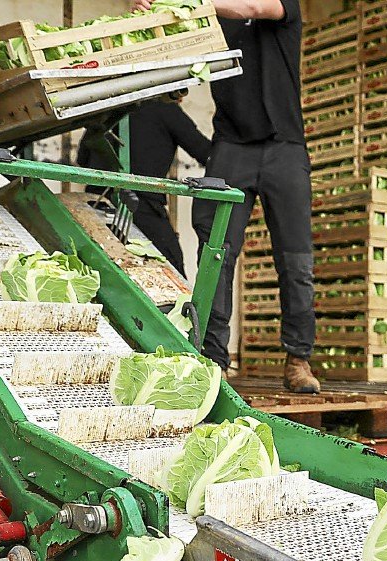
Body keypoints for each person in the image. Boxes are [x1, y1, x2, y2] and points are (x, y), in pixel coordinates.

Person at [134, 0, 319, 393]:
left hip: (284, 146)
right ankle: (214, 357)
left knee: (296, 259)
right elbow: (178, 50)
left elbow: (250, 6)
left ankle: (298, 359)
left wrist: (188, 2)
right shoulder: (211, 21)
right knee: (215, 253)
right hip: (231, 146)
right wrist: (157, 14)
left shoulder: (283, 6)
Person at [76, 97, 212, 276]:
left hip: (96, 205)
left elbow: (82, 159)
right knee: (173, 273)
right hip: (143, 207)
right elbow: (206, 153)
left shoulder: (108, 109)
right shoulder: (166, 111)